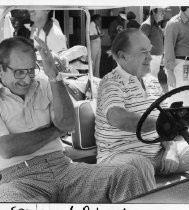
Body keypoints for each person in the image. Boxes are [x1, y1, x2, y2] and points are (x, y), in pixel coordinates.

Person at [0, 36, 146, 203]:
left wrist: (54, 75)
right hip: (19, 179)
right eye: (19, 72)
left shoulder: (47, 84)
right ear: (1, 69)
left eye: (31, 70)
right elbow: (7, 148)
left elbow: (68, 123)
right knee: (7, 200)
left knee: (126, 174)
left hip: (62, 167)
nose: (27, 79)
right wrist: (55, 130)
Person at [95, 28, 189, 188]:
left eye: (149, 51)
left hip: (158, 154)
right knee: (141, 164)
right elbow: (118, 118)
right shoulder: (110, 82)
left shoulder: (152, 81)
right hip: (118, 156)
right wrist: (165, 124)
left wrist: (171, 150)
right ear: (122, 56)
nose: (150, 57)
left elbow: (167, 123)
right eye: (143, 52)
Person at [141, 6, 166, 78]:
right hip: (151, 58)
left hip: (156, 58)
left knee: (153, 80)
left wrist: (162, 55)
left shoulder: (156, 25)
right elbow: (141, 43)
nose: (163, 13)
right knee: (149, 81)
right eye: (161, 11)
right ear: (154, 12)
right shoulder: (146, 25)